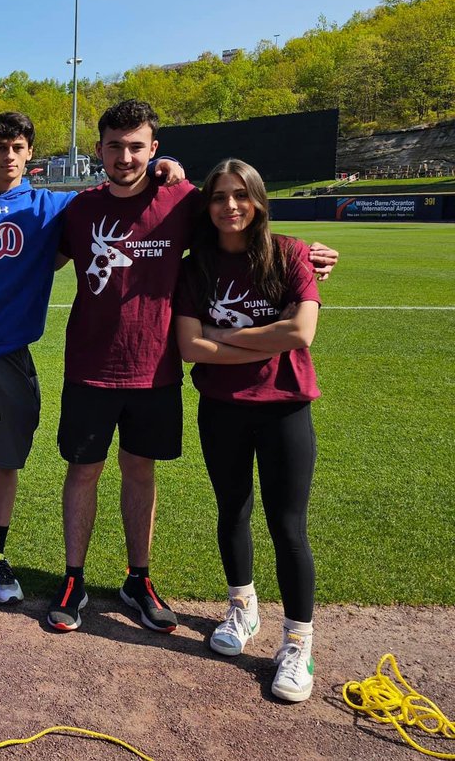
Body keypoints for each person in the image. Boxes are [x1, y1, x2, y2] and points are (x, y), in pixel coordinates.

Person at [47, 99, 337, 634]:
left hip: (155, 369)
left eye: (137, 146)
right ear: (98, 151)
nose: (126, 156)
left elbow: (243, 224)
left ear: (154, 148)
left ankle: (139, 579)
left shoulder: (182, 198)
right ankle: (74, 578)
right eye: (115, 145)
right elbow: (39, 262)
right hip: (89, 366)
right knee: (82, 471)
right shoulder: (80, 209)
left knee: (140, 471)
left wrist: (306, 256)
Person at [0, 111, 184, 613]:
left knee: (6, 460)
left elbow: (119, 186)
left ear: (30, 153)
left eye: (17, 147)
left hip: (11, 356)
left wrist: (166, 164)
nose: (8, 156)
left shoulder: (53, 205)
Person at [174, 158, 321, 703]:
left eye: (241, 195)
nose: (230, 206)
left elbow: (301, 334)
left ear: (258, 200)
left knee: (288, 526)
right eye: (219, 197)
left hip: (285, 407)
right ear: (207, 205)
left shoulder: (290, 253)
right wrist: (268, 334)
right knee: (232, 510)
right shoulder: (197, 267)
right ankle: (242, 608)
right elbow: (190, 347)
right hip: (221, 407)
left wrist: (223, 335)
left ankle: (298, 643)